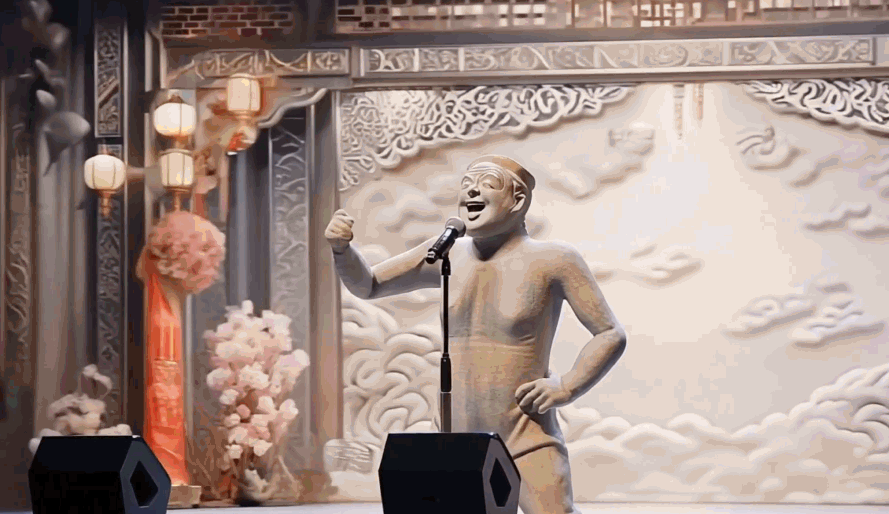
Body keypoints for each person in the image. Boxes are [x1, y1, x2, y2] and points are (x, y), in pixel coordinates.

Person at [326, 155, 627, 514]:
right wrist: (342, 250)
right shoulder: (445, 253)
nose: (471, 190)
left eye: (487, 183)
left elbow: (609, 332)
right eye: (467, 183)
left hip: (525, 432)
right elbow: (369, 285)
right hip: (456, 435)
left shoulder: (554, 259)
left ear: (517, 200)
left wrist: (567, 386)